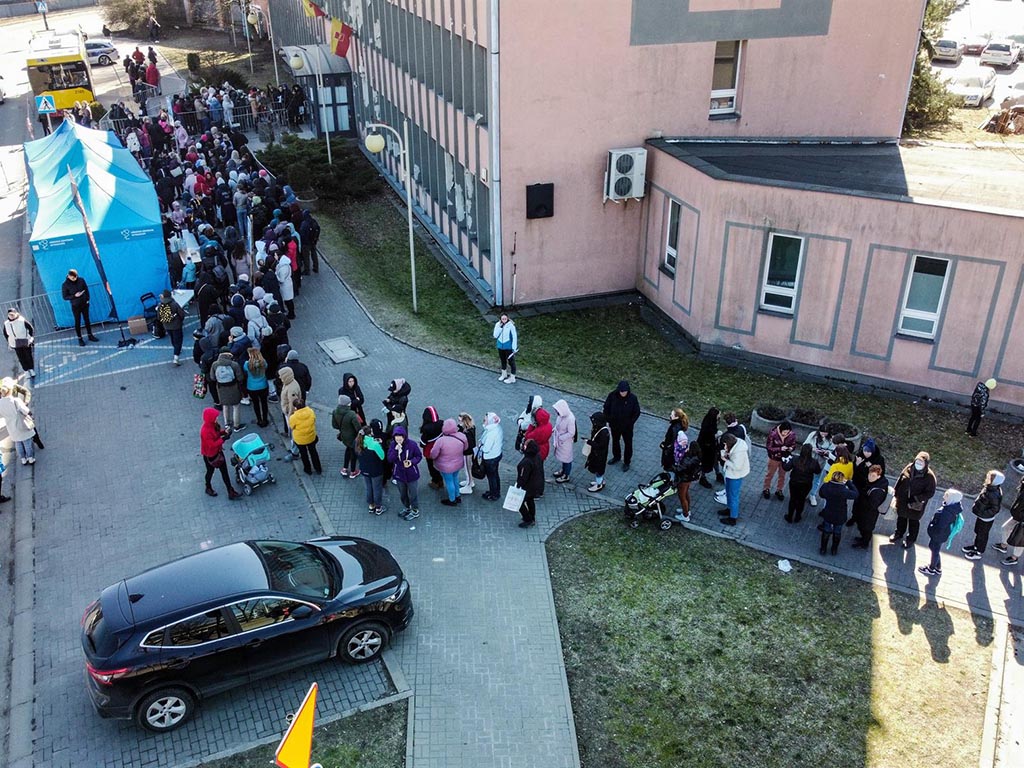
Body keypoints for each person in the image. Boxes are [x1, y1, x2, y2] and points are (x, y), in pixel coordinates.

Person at [890, 451, 938, 548]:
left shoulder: (929, 477)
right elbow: (901, 478)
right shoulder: (909, 467)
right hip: (903, 500)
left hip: (916, 504)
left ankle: (911, 539)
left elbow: (930, 493)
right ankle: (899, 533)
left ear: (926, 464)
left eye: (921, 463)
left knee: (913, 522)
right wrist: (895, 491)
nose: (918, 464)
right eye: (917, 461)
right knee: (901, 517)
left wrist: (916, 498)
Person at [919, 489, 964, 577]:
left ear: (951, 499)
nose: (943, 497)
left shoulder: (946, 512)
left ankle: (931, 569)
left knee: (934, 549)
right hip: (942, 535)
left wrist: (932, 528)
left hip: (938, 535)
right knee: (935, 549)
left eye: (946, 496)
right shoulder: (952, 508)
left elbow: (940, 526)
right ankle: (938, 568)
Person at [962, 470, 1005, 560]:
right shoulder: (990, 488)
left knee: (982, 535)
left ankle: (978, 552)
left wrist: (983, 514)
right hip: (981, 516)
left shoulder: (994, 494)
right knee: (978, 532)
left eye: (990, 478)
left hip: (986, 519)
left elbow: (995, 509)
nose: (987, 478)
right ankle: (975, 546)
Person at [199, 407, 241, 499]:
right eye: (215, 417)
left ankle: (230, 490)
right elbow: (211, 445)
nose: (217, 418)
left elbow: (217, 433)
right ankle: (208, 486)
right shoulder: (205, 431)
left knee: (224, 472)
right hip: (210, 455)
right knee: (210, 472)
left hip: (218, 452)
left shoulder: (212, 425)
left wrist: (224, 432)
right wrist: (223, 438)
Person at [817, 471, 858, 555]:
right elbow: (855, 494)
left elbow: (821, 494)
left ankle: (823, 549)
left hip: (828, 512)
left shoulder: (826, 486)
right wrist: (849, 483)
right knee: (837, 532)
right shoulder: (844, 491)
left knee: (826, 530)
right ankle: (834, 549)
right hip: (840, 514)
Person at [603, 380, 641, 471]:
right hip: (615, 425)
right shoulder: (612, 395)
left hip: (627, 428)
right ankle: (616, 456)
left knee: (628, 444)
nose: (622, 393)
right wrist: (608, 419)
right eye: (621, 391)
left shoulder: (632, 398)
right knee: (615, 441)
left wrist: (630, 422)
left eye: (624, 391)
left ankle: (627, 462)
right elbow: (606, 407)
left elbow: (637, 412)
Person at [851, 464, 889, 548]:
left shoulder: (877, 491)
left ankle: (864, 543)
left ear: (878, 476)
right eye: (869, 474)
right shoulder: (877, 483)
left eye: (873, 476)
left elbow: (872, 504)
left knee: (866, 529)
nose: (870, 477)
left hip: (869, 514)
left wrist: (862, 496)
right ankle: (863, 540)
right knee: (864, 528)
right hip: (867, 512)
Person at [388, 426, 423, 519]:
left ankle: (415, 510)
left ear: (404, 437)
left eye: (400, 438)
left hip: (411, 474)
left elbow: (419, 456)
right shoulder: (392, 445)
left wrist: (411, 462)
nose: (399, 440)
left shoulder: (412, 444)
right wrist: (396, 450)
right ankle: (407, 507)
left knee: (413, 494)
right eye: (397, 438)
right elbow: (390, 459)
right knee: (403, 494)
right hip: (399, 474)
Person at [433, 418, 469, 506]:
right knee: (455, 478)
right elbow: (466, 448)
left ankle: (452, 500)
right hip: (458, 463)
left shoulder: (441, 441)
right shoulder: (461, 436)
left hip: (445, 466)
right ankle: (457, 496)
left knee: (449, 481)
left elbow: (434, 454)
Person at [784, 444, 821, 523]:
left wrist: (783, 461)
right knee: (801, 499)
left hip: (794, 483)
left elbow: (786, 468)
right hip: (806, 484)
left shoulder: (795, 459)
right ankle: (798, 516)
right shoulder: (814, 462)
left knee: (793, 499)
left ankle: (790, 516)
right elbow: (818, 471)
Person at [717, 433, 749, 526]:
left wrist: (725, 460)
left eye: (725, 444)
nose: (724, 446)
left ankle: (733, 518)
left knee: (733, 496)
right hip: (731, 474)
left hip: (735, 475)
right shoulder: (736, 445)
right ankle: (729, 509)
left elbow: (736, 466)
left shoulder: (738, 453)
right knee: (729, 493)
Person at [0, 384, 36, 465]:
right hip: (21, 423)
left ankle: (23, 459)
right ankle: (30, 458)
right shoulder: (15, 400)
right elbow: (25, 410)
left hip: (10, 425)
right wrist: (31, 415)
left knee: (18, 443)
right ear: (10, 391)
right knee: (27, 442)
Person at [357, 420, 387, 515]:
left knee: (369, 487)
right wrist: (380, 444)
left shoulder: (358, 442)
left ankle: (371, 505)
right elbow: (382, 456)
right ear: (370, 434)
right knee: (377, 488)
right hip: (376, 471)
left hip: (364, 469)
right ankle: (378, 507)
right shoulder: (375, 445)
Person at [61, 269, 98, 346]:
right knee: (77, 322)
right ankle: (80, 339)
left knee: (87, 320)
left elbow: (86, 290)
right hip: (75, 306)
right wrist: (74, 296)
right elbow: (65, 297)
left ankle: (90, 335)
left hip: (84, 303)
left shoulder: (81, 280)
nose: (75, 279)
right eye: (73, 278)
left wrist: (87, 299)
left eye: (76, 277)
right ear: (69, 276)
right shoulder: (65, 285)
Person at [994, 476, 1024, 566]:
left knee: (1021, 539)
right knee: (1006, 528)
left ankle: (1014, 558)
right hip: (1018, 516)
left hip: (1022, 518)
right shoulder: (1023, 485)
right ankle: (1003, 546)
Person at [210, 350, 245, 430]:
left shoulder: (215, 364)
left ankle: (227, 424)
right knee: (236, 406)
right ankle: (237, 425)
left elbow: (212, 377)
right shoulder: (234, 365)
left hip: (221, 389)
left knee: (225, 406)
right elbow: (240, 378)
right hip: (234, 388)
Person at [803, 423, 835, 507]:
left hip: (821, 461)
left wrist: (826, 453)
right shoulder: (813, 435)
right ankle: (804, 493)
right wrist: (813, 449)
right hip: (810, 459)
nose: (823, 434)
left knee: (817, 479)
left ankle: (812, 495)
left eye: (825, 432)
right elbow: (805, 445)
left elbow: (833, 450)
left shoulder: (831, 439)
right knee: (807, 477)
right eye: (822, 432)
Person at [763, 420, 796, 500]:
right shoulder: (773, 434)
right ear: (780, 430)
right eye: (784, 432)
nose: (786, 434)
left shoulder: (792, 435)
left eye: (787, 432)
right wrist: (780, 449)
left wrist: (791, 448)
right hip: (774, 457)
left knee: (782, 475)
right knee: (770, 474)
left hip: (784, 458)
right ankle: (766, 488)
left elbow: (793, 444)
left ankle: (779, 490)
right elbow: (769, 447)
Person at [516, 438, 544, 528]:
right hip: (536, 484)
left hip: (528, 487)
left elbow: (523, 477)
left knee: (519, 502)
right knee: (530, 500)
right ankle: (532, 517)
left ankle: (527, 519)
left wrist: (518, 485)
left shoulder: (526, 462)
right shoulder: (537, 456)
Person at [288, 399, 322, 475]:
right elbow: (314, 420)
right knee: (313, 452)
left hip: (300, 439)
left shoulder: (293, 417)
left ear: (296, 408)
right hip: (311, 436)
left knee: (304, 454)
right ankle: (318, 468)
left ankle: (308, 469)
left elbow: (292, 427)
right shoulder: (311, 412)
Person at [333, 394, 363, 478]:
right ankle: (353, 472)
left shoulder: (335, 412)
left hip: (343, 436)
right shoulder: (352, 414)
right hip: (353, 437)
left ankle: (345, 469)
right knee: (353, 454)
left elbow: (334, 425)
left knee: (348, 450)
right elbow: (358, 428)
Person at [673, 440, 702, 522]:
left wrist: (673, 466)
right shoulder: (697, 457)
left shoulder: (688, 459)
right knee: (686, 494)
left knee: (682, 497)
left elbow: (679, 469)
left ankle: (685, 515)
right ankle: (687, 510)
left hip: (684, 479)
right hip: (689, 479)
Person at [478, 412, 504, 501]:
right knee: (495, 475)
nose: (483, 421)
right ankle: (496, 491)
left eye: (485, 420)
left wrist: (481, 446)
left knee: (491, 477)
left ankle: (493, 494)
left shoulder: (490, 434)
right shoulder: (497, 428)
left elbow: (486, 449)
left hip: (490, 458)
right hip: (496, 455)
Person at [156, 290, 186, 365]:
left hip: (166, 326)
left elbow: (159, 317)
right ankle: (176, 357)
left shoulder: (160, 305)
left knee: (172, 338)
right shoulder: (174, 304)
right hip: (176, 325)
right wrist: (180, 321)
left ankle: (176, 349)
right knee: (178, 340)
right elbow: (181, 314)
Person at [3, 308, 35, 377]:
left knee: (28, 355)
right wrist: (9, 342)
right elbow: (5, 334)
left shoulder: (22, 320)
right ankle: (26, 370)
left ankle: (31, 369)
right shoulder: (6, 324)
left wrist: (31, 337)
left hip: (25, 341)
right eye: (9, 315)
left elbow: (30, 328)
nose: (11, 316)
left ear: (16, 313)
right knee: (21, 357)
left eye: (12, 314)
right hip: (15, 343)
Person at [243, 348, 270, 427]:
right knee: (264, 403)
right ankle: (265, 419)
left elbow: (245, 370)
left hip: (252, 387)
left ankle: (259, 419)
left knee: (256, 404)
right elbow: (266, 367)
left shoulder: (247, 364)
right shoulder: (263, 362)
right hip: (263, 385)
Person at [552, 399, 576, 484]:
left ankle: (566, 475)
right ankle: (563, 470)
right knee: (563, 458)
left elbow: (571, 432)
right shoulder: (561, 415)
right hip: (561, 441)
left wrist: (561, 437)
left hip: (565, 443)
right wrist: (554, 429)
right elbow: (558, 425)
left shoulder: (570, 419)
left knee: (567, 459)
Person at [585, 412, 611, 492]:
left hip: (599, 455)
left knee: (598, 470)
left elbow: (600, 445)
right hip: (598, 454)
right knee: (599, 469)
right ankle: (599, 481)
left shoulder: (603, 432)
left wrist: (589, 442)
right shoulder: (602, 429)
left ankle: (599, 484)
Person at [420, 406, 444, 489]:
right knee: (438, 464)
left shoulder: (426, 428)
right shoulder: (441, 423)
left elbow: (423, 442)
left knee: (431, 466)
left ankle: (435, 481)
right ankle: (440, 480)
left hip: (429, 450)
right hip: (439, 447)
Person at [696, 407, 721, 487]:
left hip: (711, 447)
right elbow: (709, 437)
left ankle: (718, 474)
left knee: (715, 460)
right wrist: (717, 435)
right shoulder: (708, 427)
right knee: (705, 462)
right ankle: (702, 478)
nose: (720, 416)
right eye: (719, 414)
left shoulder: (710, 421)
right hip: (706, 449)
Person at [660, 408, 688, 473]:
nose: (670, 415)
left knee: (667, 467)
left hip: (670, 453)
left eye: (672, 415)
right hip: (670, 452)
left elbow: (672, 443)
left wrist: (665, 448)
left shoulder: (674, 428)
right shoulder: (677, 425)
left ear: (677, 417)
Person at [494, 313, 518, 383]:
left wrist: (514, 347)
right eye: (502, 319)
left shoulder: (511, 326)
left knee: (511, 362)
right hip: (500, 346)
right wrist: (500, 328)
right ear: (500, 319)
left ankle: (512, 377)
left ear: (507, 318)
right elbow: (495, 335)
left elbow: (514, 337)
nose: (504, 320)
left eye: (505, 318)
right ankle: (504, 374)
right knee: (503, 360)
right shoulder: (497, 325)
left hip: (508, 347)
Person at [457, 412, 477, 494]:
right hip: (471, 451)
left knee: (468, 469)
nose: (458, 422)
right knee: (468, 468)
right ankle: (470, 481)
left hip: (467, 453)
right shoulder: (471, 428)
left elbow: (467, 444)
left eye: (460, 421)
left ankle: (469, 486)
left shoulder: (466, 433)